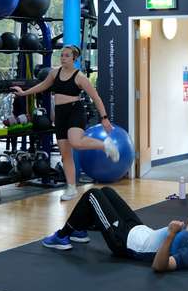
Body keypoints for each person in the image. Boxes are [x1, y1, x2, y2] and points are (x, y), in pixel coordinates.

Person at [41, 187, 188, 271]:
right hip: (138, 228)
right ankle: (77, 228)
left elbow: (159, 266)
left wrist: (171, 235)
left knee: (93, 195)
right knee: (107, 192)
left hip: (123, 241)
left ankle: (62, 236)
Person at [11, 45, 116, 201]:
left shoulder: (80, 77)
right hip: (60, 114)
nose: (63, 58)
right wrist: (24, 93)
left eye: (67, 55)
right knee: (66, 154)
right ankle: (71, 188)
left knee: (76, 142)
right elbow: (42, 86)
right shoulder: (54, 73)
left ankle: (105, 145)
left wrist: (104, 118)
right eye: (62, 55)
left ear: (74, 58)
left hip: (75, 111)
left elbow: (96, 98)